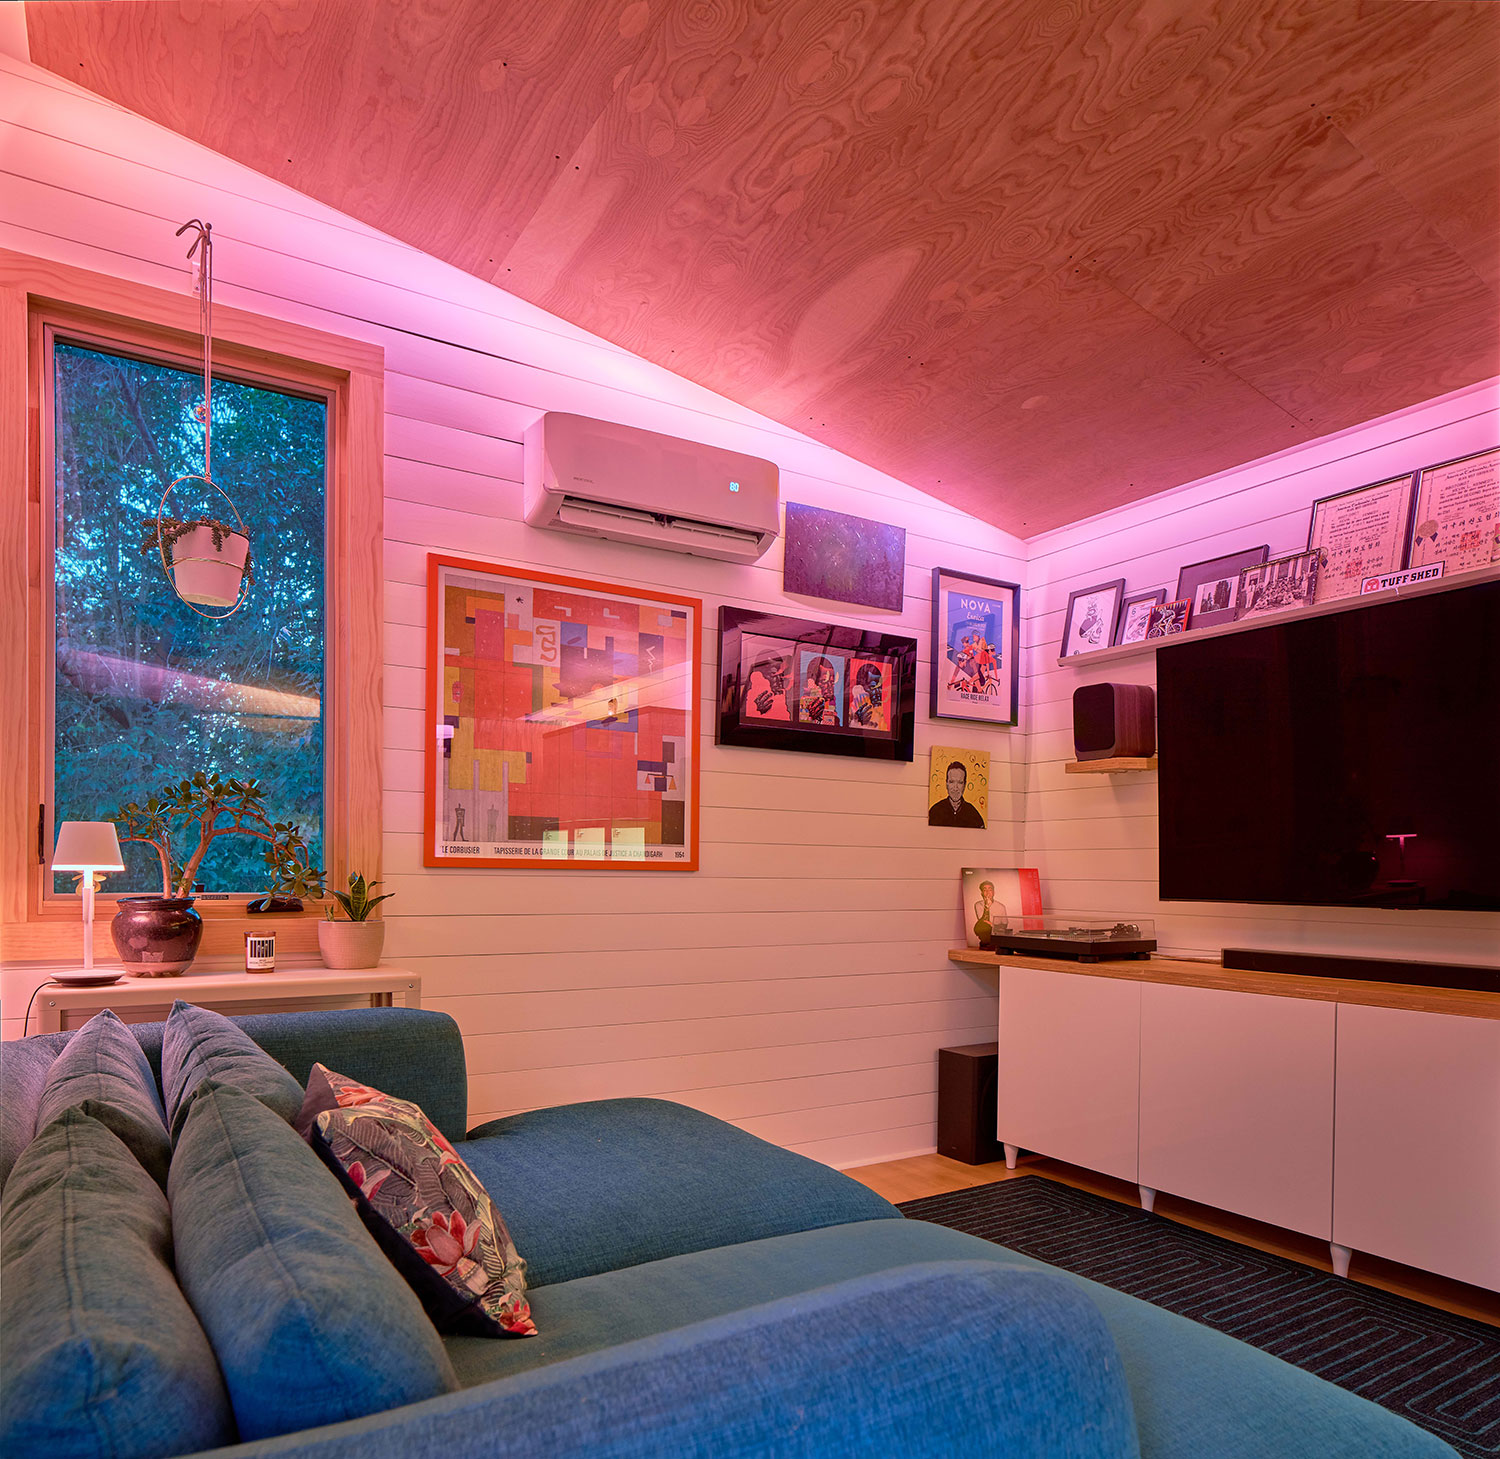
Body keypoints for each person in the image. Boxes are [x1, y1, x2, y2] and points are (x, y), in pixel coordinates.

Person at [929, 760, 985, 828]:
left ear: (964, 785)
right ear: (946, 784)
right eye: (951, 782)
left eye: (960, 782)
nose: (955, 788)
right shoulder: (935, 811)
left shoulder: (973, 814)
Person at [798, 655, 842, 725]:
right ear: (812, 682)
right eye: (824, 681)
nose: (829, 687)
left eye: (832, 682)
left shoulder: (832, 707)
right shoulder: (802, 705)